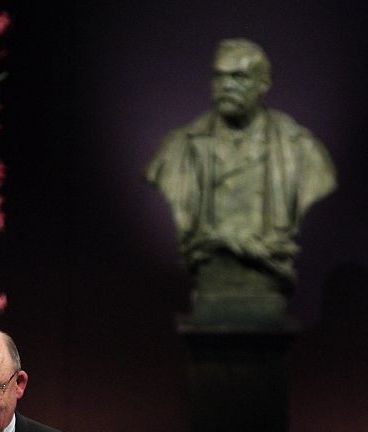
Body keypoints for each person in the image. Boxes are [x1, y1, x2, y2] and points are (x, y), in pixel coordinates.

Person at [144, 38, 337, 326]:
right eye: (218, 76)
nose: (226, 85)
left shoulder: (301, 150)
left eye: (239, 77)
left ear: (264, 84)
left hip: (267, 285)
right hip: (209, 282)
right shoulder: (178, 148)